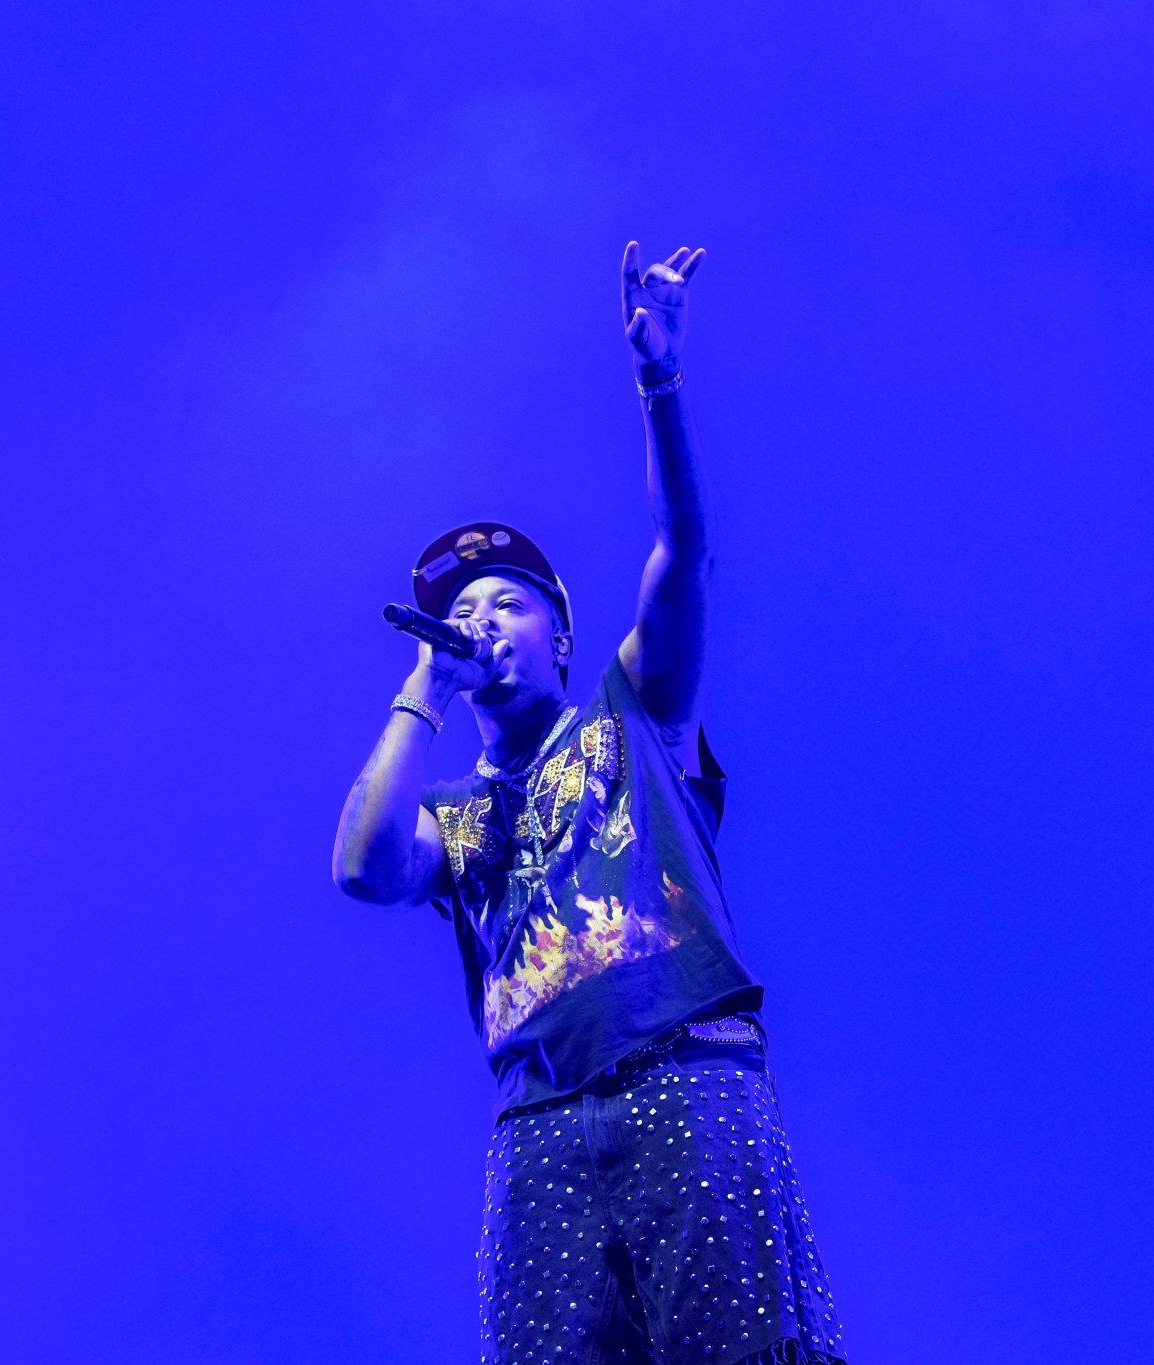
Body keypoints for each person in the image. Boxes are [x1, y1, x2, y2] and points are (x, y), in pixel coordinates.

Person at [332, 241, 848, 1365]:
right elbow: (364, 868)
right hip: (539, 1127)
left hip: (683, 1074)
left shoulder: (631, 713)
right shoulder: (455, 816)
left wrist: (660, 383)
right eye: (464, 609)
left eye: (506, 604)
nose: (481, 620)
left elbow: (684, 557)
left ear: (559, 638)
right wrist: (425, 687)